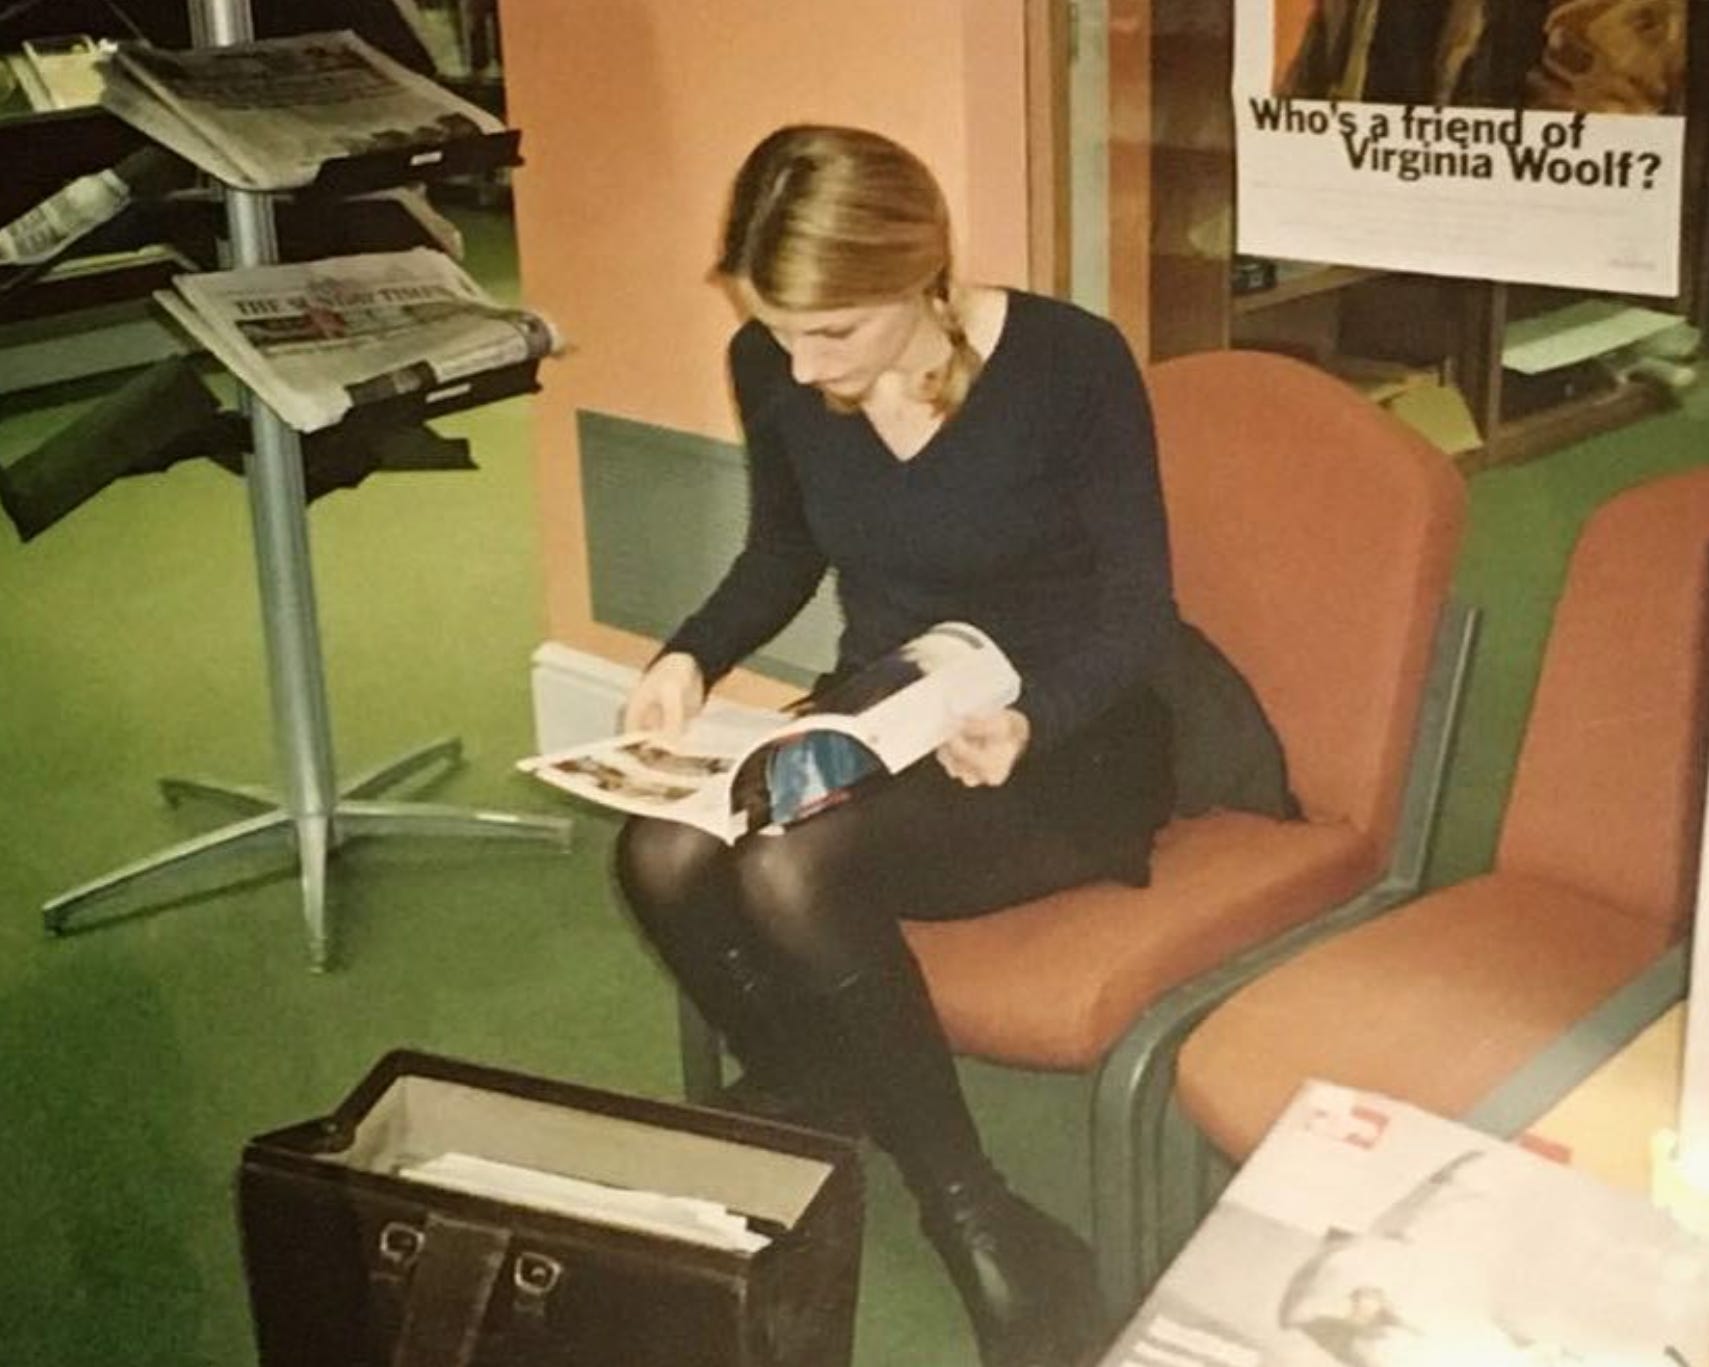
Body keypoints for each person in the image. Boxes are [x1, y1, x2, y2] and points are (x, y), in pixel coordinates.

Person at [613, 124, 1178, 1367]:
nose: (802, 365)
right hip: (885, 710)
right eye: (778, 330)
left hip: (1062, 733)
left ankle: (975, 1217)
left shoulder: (1069, 360)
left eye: (835, 332)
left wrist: (1032, 717)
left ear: (921, 274)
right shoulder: (774, 363)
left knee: (788, 868)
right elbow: (781, 550)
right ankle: (827, 1084)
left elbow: (1138, 610)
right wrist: (687, 656)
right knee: (657, 850)